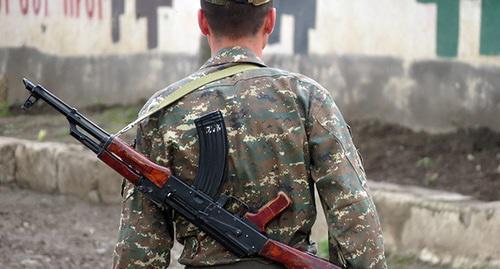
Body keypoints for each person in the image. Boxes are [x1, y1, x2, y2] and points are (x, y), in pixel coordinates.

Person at [112, 0, 387, 268]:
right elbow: (353, 212)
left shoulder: (164, 110)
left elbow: (140, 244)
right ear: (271, 21)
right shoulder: (307, 98)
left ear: (202, 22)